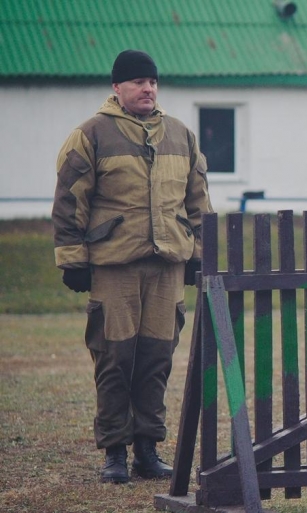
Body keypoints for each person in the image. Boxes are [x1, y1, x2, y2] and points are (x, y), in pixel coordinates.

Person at [52, 50, 213, 484]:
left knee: (156, 360)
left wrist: (199, 255)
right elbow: (69, 200)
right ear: (117, 87)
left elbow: (198, 202)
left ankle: (147, 449)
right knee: (114, 359)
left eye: (153, 82)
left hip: (167, 267)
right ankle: (114, 454)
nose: (148, 89)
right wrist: (72, 259)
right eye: (138, 82)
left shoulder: (181, 135)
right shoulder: (91, 135)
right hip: (114, 266)